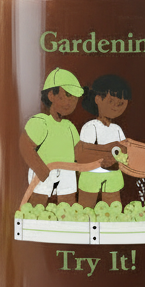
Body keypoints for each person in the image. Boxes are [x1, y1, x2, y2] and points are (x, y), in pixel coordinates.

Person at [18, 67, 101, 207]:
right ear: (51, 95)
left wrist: (102, 157)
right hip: (44, 170)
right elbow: (25, 145)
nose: (71, 102)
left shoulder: (69, 127)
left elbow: (79, 151)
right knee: (38, 202)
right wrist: (41, 170)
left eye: (75, 98)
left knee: (68, 203)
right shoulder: (41, 122)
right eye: (68, 95)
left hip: (67, 172)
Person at [77, 74, 132, 209]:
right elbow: (84, 154)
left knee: (113, 208)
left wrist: (124, 153)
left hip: (113, 175)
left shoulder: (117, 129)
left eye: (120, 104)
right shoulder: (90, 127)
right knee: (86, 208)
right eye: (111, 101)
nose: (115, 107)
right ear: (97, 99)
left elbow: (124, 151)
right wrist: (106, 154)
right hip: (91, 174)